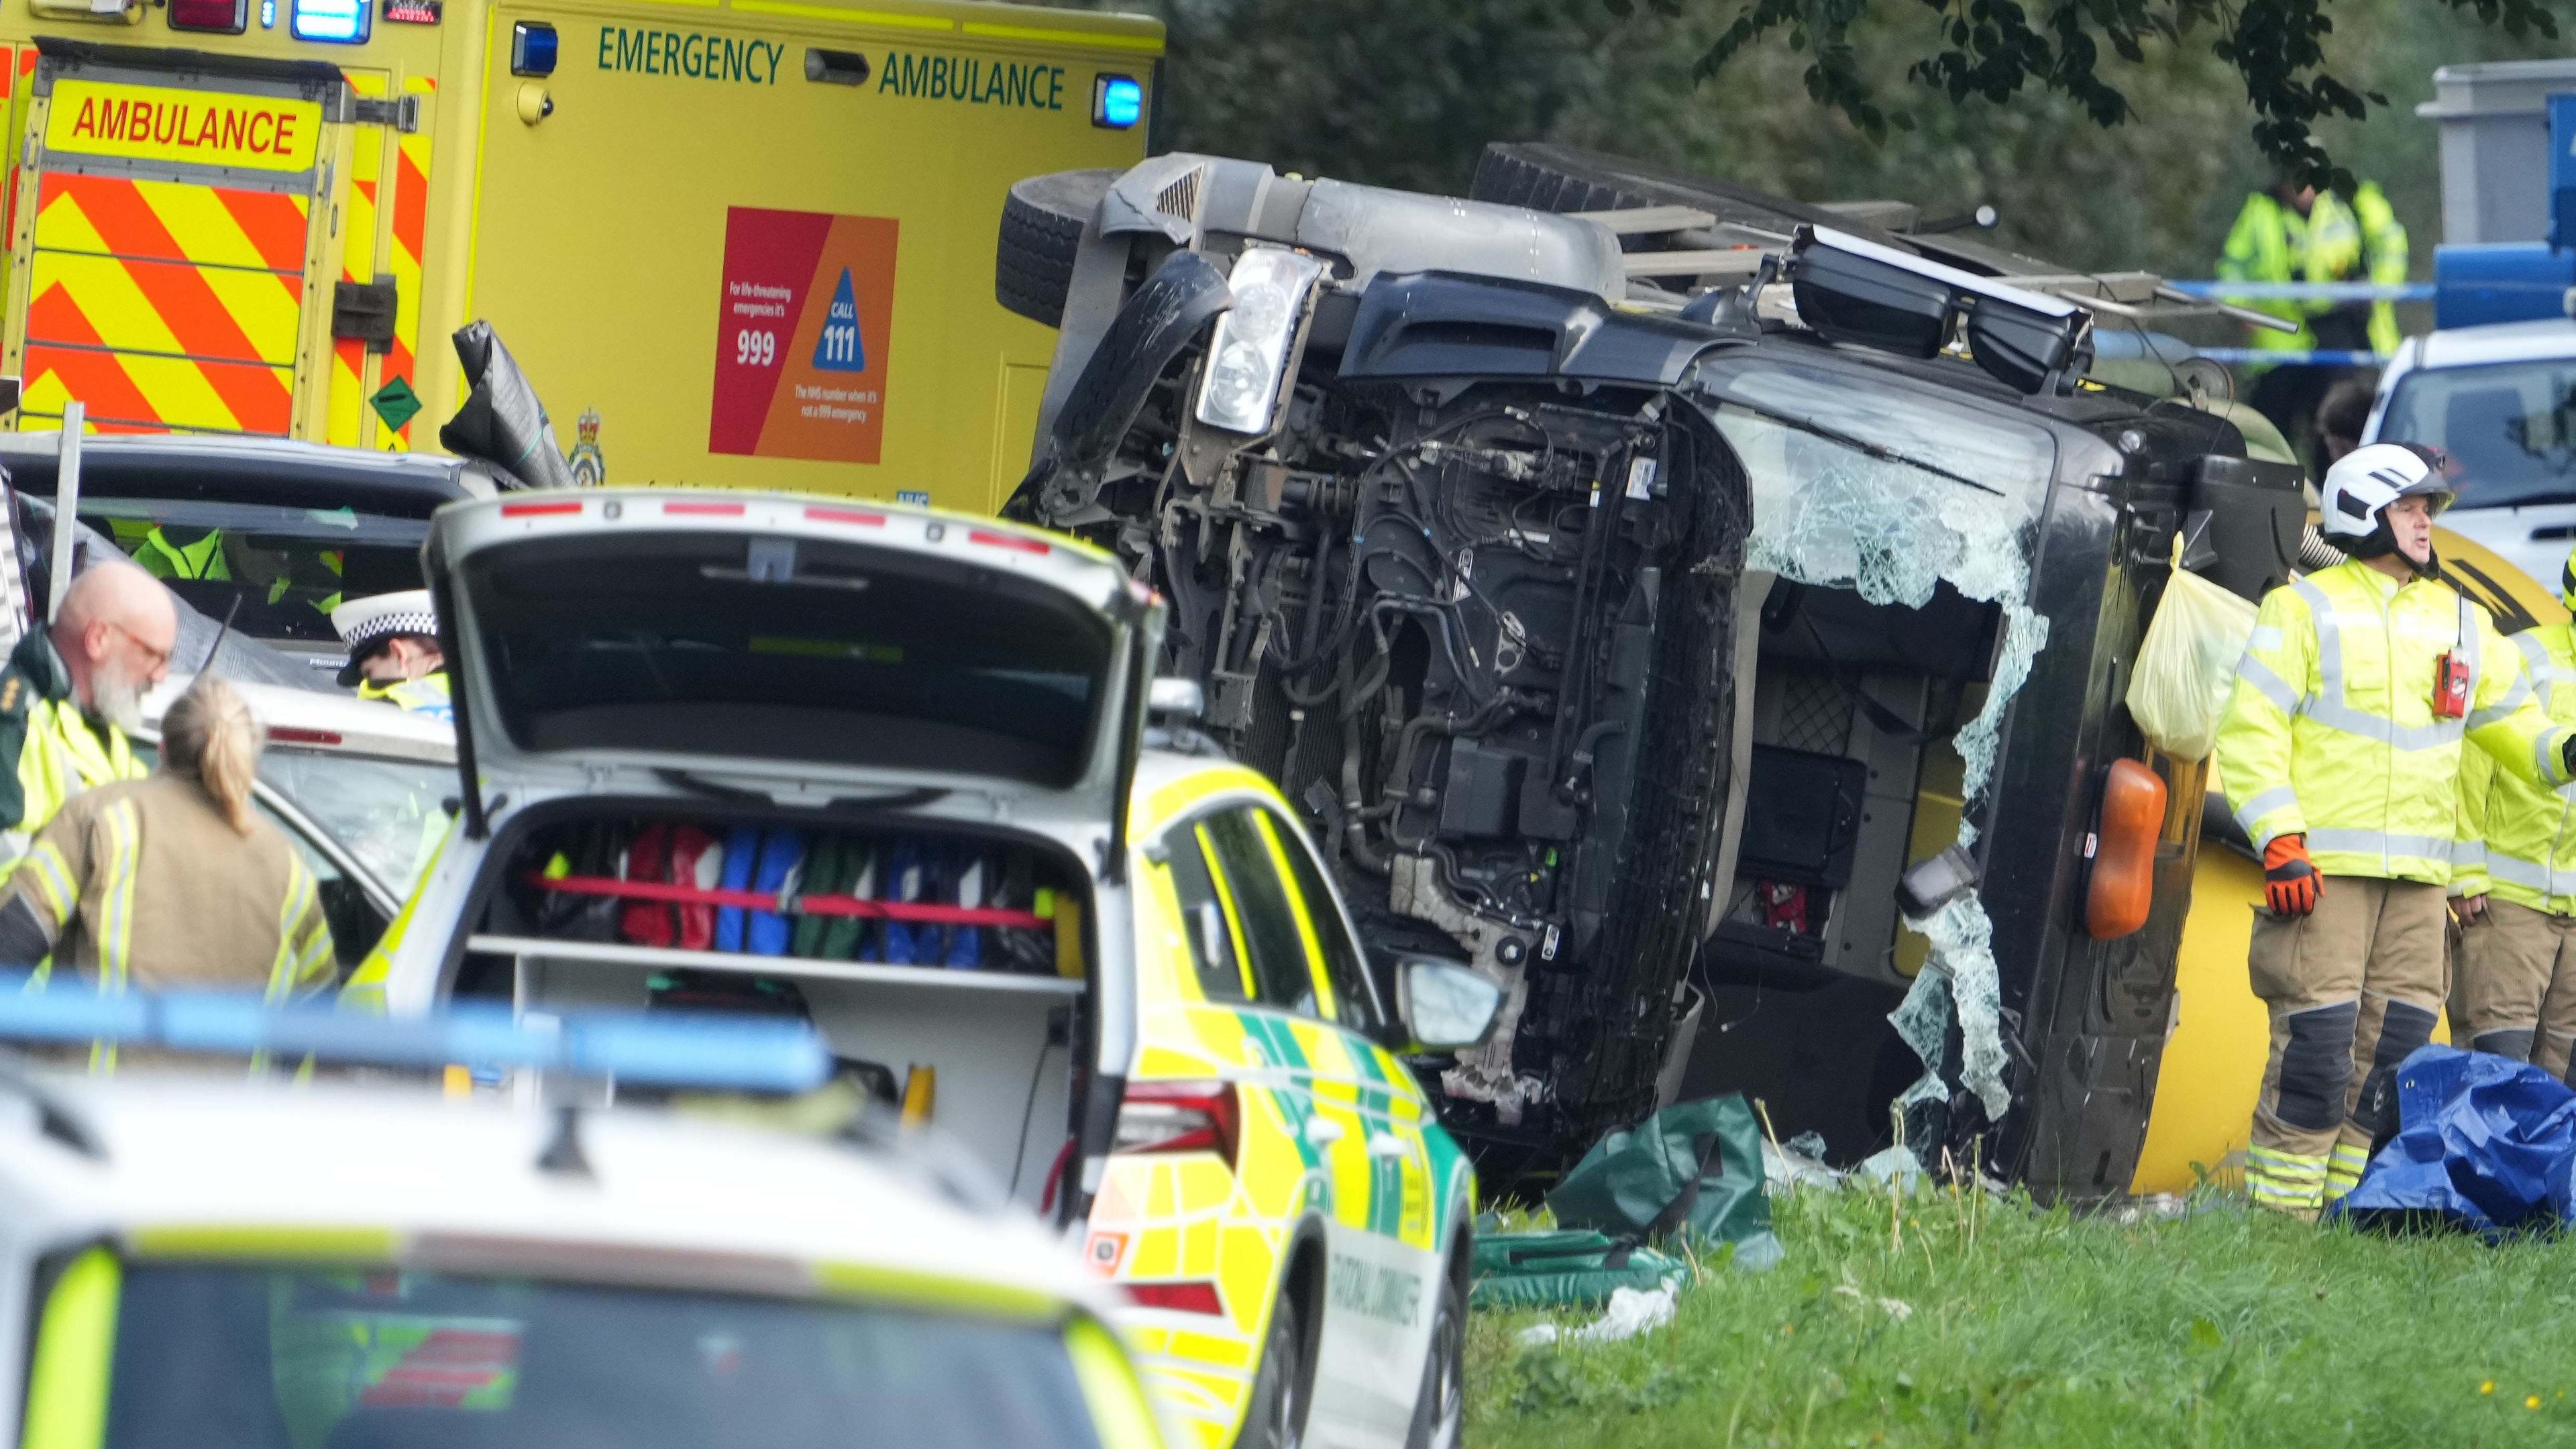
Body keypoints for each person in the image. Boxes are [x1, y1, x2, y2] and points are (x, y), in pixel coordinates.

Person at [2217, 442, 2576, 1217]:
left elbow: (2514, 724)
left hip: (2419, 886)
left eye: (2427, 510)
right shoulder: (2303, 608)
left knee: (2396, 1054)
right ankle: (2282, 1221)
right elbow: (2252, 731)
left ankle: (2347, 1210)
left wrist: (2564, 751)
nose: (2425, 523)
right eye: (2411, 508)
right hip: (2324, 871)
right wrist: (2279, 839)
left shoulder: (2461, 620)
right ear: (2362, 512)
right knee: (2317, 1044)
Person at [0, 675, 333, 1006]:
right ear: (248, 761)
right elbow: (320, 1017)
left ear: (163, 747)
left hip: (85, 1061)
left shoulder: (97, 818)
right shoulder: (288, 865)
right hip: (229, 1061)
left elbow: (12, 942)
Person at [2451, 556, 2576, 1079]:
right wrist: (2464, 868)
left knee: (2562, 1087)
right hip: (2506, 902)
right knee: (2494, 1070)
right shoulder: (2527, 659)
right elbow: (2468, 764)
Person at [0, 561, 173, 880]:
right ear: (98, 639)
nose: (160, 676)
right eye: (153, 655)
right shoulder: (13, 725)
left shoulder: (100, 719)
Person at [2218, 174, 2408, 445]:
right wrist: (2241, 309)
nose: (2302, 187)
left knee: (2339, 425)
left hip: (2344, 332)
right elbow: (2233, 267)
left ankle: (2331, 483)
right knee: (2272, 428)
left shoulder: (2352, 201)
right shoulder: (2260, 211)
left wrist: (2378, 289)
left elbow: (2391, 245)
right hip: (2282, 337)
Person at [331, 590, 451, 720]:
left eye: (370, 675)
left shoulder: (391, 708)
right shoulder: (472, 687)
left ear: (399, 654)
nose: (364, 688)